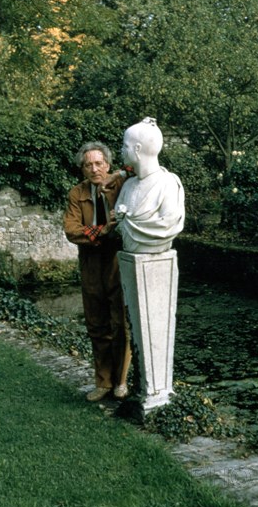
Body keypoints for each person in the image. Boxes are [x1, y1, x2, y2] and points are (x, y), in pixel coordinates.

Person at [63, 141, 132, 402]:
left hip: (117, 259)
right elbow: (71, 230)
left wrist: (120, 174)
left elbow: (143, 165)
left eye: (99, 163)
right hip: (91, 260)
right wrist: (100, 232)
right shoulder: (76, 194)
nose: (94, 169)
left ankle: (121, 382)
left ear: (108, 164)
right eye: (88, 164)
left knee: (120, 322)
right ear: (82, 169)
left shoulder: (121, 184)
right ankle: (103, 382)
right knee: (96, 323)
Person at [115, 117, 185, 253]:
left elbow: (167, 223)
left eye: (125, 146)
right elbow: (118, 219)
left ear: (137, 149)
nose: (121, 150)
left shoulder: (168, 184)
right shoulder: (128, 185)